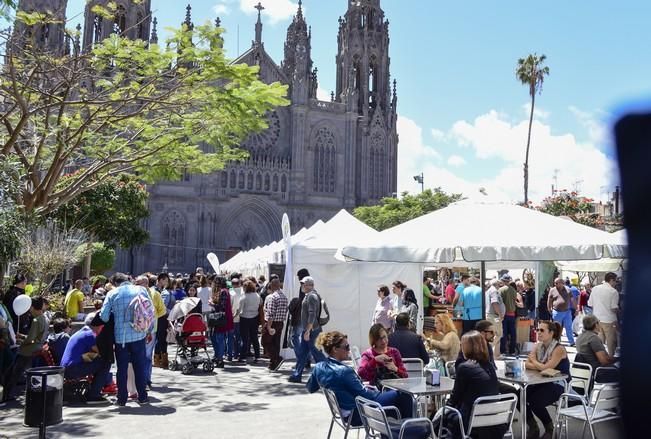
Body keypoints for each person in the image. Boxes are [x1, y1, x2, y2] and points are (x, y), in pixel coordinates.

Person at [306, 331, 417, 430]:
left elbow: (310, 388)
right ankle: (410, 432)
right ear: (335, 349)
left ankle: (401, 432)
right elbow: (366, 395)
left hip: (345, 412)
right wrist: (378, 392)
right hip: (357, 413)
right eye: (346, 346)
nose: (349, 350)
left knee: (396, 404)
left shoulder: (319, 367)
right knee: (404, 395)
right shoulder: (345, 371)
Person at [438, 331, 506, 439]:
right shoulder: (489, 366)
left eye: (462, 345)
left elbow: (455, 397)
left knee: (439, 418)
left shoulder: (465, 367)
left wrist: (442, 410)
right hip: (494, 421)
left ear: (467, 347)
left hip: (471, 421)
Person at [99, 273, 152, 406]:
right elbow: (150, 311)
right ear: (127, 280)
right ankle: (143, 397)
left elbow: (104, 317)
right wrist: (148, 330)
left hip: (121, 337)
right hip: (139, 334)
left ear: (114, 282)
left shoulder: (112, 294)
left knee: (121, 369)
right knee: (139, 367)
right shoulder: (141, 290)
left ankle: (122, 399)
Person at [525, 321, 571, 439]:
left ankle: (549, 428)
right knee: (520, 395)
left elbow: (545, 367)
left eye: (542, 330)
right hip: (540, 381)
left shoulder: (559, 348)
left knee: (535, 401)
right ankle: (533, 426)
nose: (538, 332)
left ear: (551, 333)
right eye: (537, 330)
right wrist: (539, 366)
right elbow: (526, 364)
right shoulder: (538, 345)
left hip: (559, 384)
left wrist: (534, 361)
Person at [2, 296, 47, 403]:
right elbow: (35, 337)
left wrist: (21, 341)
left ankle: (7, 395)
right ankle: (7, 394)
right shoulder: (43, 318)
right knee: (15, 372)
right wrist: (22, 336)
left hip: (27, 350)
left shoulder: (36, 320)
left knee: (13, 373)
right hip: (35, 347)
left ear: (31, 307)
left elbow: (31, 338)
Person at [60, 313, 111, 404]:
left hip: (67, 368)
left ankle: (95, 390)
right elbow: (101, 352)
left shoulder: (81, 332)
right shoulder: (90, 335)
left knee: (100, 362)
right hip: (73, 368)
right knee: (106, 362)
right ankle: (93, 395)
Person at [288, 276, 326, 383]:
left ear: (310, 285)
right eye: (302, 284)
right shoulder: (309, 295)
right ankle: (297, 375)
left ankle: (329, 374)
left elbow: (312, 314)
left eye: (304, 284)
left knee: (317, 354)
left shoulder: (311, 296)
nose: (302, 286)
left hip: (312, 329)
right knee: (303, 353)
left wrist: (308, 330)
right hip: (310, 329)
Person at [575, 315, 618, 383]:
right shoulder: (593, 338)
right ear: (595, 324)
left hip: (587, 370)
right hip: (599, 371)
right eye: (598, 322)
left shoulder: (580, 337)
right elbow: (604, 361)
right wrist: (618, 359)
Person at [588, 272, 620, 355]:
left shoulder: (595, 288)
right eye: (616, 281)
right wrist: (619, 311)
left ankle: (600, 358)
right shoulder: (613, 291)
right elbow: (613, 308)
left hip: (596, 319)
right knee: (611, 342)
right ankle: (610, 359)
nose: (616, 283)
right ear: (611, 280)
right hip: (609, 320)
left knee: (599, 342)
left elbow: (590, 304)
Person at [262, 277, 288, 371]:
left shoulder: (273, 297)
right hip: (280, 323)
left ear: (272, 286)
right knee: (276, 343)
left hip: (272, 323)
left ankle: (276, 358)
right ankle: (273, 363)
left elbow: (270, 313)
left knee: (265, 341)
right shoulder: (284, 297)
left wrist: (268, 326)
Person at [208, 276, 233, 368]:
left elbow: (221, 307)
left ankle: (220, 358)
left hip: (221, 319)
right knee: (215, 337)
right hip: (221, 319)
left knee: (219, 338)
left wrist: (212, 304)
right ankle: (218, 356)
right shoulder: (224, 291)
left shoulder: (223, 292)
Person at [288, 269, 309, 364]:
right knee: (306, 338)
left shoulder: (303, 286)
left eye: (298, 277)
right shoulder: (311, 285)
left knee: (295, 336)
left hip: (302, 315)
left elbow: (302, 301)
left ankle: (301, 358)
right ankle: (306, 358)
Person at [547, 277, 575, 347]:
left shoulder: (568, 290)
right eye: (555, 283)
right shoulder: (552, 290)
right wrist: (549, 308)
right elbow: (549, 300)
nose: (555, 284)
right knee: (557, 327)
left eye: (557, 283)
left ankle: (571, 341)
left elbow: (572, 299)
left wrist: (576, 308)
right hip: (557, 311)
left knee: (568, 326)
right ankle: (556, 341)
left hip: (567, 311)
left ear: (562, 283)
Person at [238, 280, 261, 363]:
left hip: (244, 318)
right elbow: (260, 305)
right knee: (254, 337)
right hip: (255, 317)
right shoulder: (257, 296)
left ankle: (243, 356)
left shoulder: (244, 297)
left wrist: (236, 314)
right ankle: (257, 356)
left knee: (245, 338)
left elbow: (240, 309)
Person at [154, 272, 172, 369]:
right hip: (161, 318)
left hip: (163, 317)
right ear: (161, 280)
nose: (167, 282)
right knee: (160, 338)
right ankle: (159, 359)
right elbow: (162, 306)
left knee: (162, 338)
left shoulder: (162, 290)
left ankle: (161, 359)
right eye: (166, 280)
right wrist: (172, 311)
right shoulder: (159, 291)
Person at [485, 279, 505, 359]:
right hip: (494, 316)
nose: (500, 286)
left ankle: (496, 355)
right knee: (498, 334)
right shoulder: (494, 291)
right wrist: (500, 315)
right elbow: (495, 303)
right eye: (499, 284)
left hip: (490, 316)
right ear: (496, 284)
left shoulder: (488, 291)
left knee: (496, 335)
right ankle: (487, 349)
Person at [499, 274, 518, 355]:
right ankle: (512, 350)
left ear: (503, 281)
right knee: (513, 333)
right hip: (512, 314)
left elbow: (499, 302)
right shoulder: (513, 290)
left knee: (504, 333)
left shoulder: (501, 290)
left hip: (504, 314)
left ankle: (503, 350)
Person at [227, 277, 244, 362]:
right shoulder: (243, 292)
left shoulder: (230, 293)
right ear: (239, 283)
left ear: (232, 284)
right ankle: (238, 354)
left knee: (230, 337)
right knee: (238, 337)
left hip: (232, 318)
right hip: (241, 318)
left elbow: (229, 306)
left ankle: (230, 354)